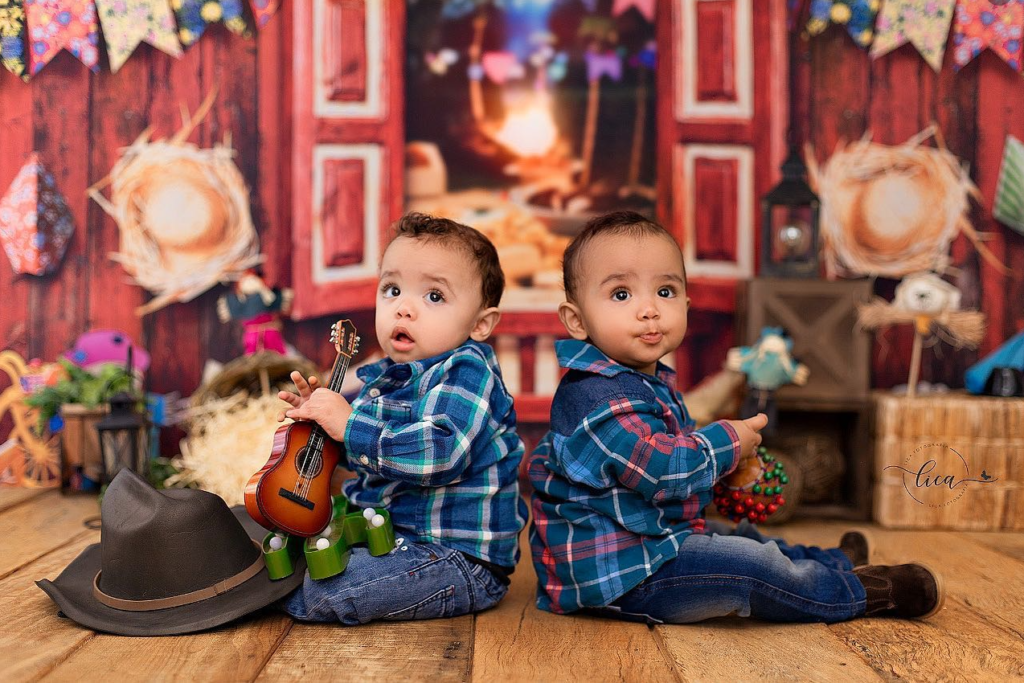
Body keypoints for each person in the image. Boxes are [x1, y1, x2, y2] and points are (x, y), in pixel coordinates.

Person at [528, 210, 944, 623]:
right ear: (577, 321)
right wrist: (728, 442)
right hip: (621, 574)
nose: (649, 310)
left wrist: (730, 474)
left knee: (737, 537)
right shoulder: (596, 398)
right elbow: (662, 470)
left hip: (653, 543)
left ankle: (833, 562)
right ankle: (867, 592)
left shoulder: (643, 381)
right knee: (746, 567)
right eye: (622, 294)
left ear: (686, 304)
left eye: (666, 292)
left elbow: (674, 474)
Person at [276, 213, 527, 624]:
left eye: (434, 296)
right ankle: (273, 574)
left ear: (481, 324)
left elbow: (438, 453)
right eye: (392, 290)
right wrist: (320, 427)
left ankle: (270, 591)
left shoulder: (466, 372)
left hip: (456, 558)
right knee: (292, 539)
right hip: (388, 539)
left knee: (330, 591)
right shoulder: (387, 378)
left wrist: (350, 425)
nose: (403, 309)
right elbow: (366, 455)